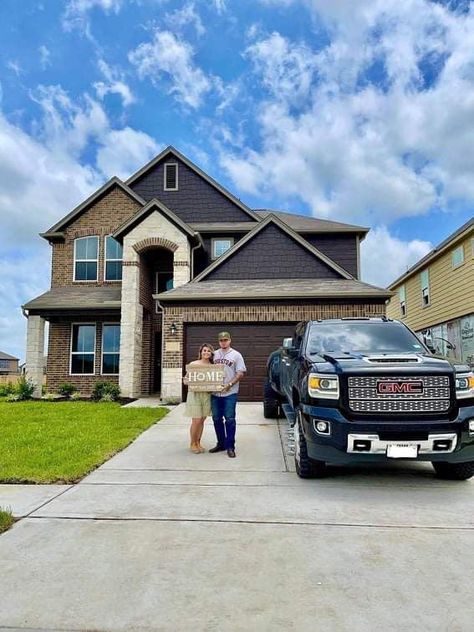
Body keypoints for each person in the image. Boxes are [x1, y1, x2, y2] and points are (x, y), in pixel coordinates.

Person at [209, 331, 246, 458]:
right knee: (216, 419)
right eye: (221, 340)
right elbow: (205, 369)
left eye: (225, 340)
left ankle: (230, 446)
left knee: (230, 419)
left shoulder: (236, 355)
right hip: (215, 393)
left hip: (230, 393)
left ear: (230, 340)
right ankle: (221, 443)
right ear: (218, 342)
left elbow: (240, 373)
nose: (223, 342)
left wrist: (229, 385)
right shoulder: (214, 354)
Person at [183, 343, 214, 454]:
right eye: (204, 350)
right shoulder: (194, 364)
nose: (206, 352)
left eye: (209, 351)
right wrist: (189, 381)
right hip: (195, 394)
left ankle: (198, 442)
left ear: (211, 353)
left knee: (202, 420)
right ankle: (192, 443)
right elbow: (185, 380)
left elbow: (214, 381)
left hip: (206, 394)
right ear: (201, 352)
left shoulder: (213, 367)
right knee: (196, 420)